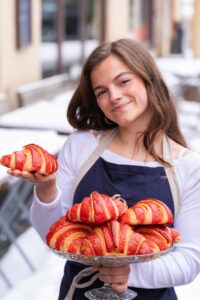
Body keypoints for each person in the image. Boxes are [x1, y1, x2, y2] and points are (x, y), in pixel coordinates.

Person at [8, 38, 200, 300]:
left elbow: (189, 261)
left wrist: (129, 272)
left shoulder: (187, 166)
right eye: (101, 91)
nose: (115, 96)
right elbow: (54, 235)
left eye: (123, 82)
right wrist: (46, 188)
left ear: (147, 78)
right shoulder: (81, 146)